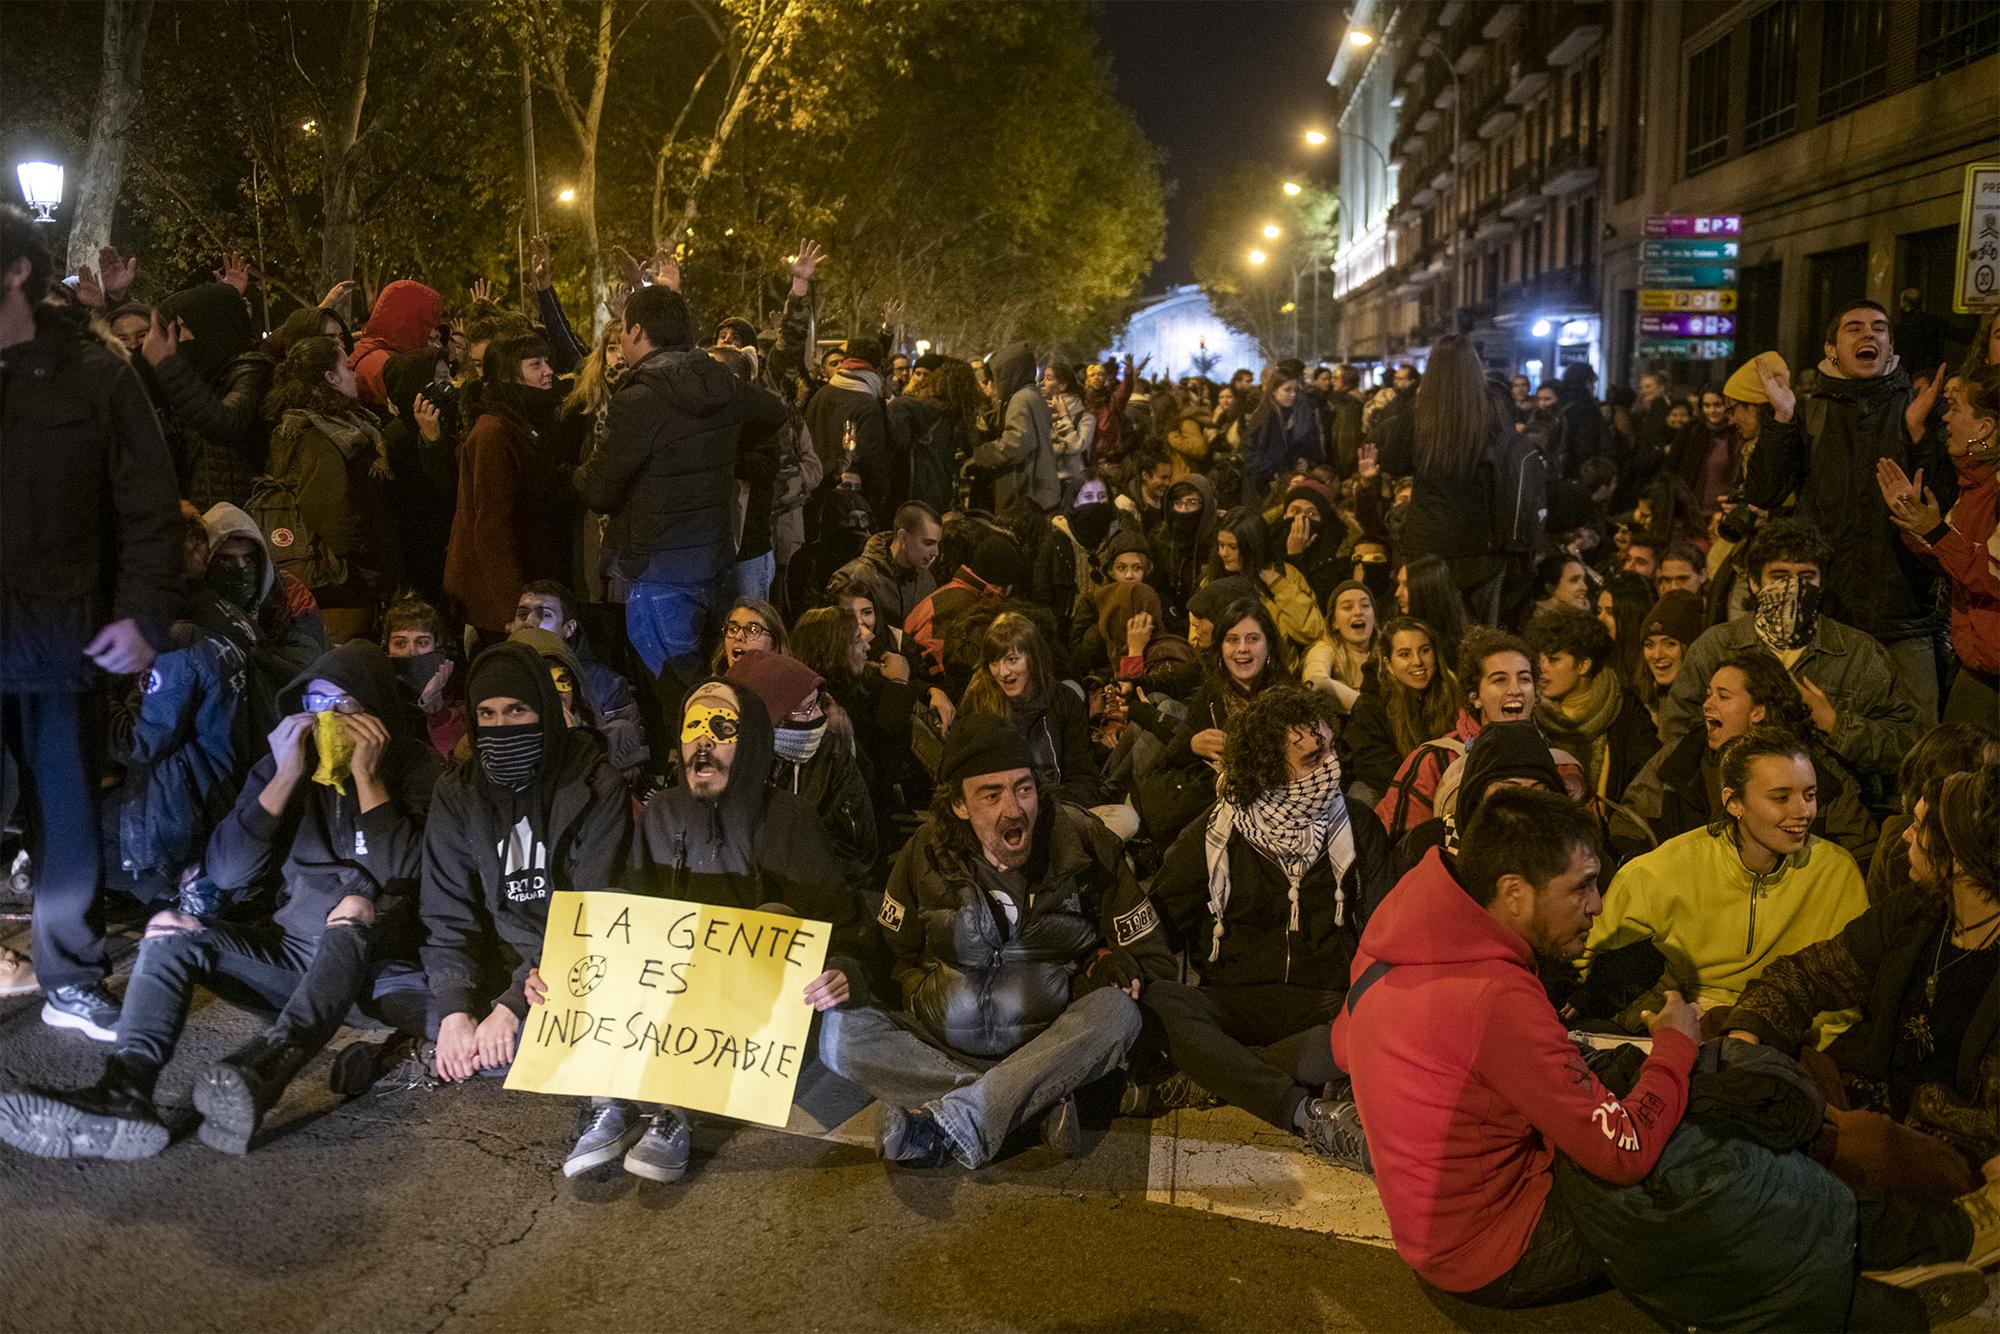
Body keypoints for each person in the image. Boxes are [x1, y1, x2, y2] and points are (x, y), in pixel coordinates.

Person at [0, 642, 439, 1159]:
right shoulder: (285, 765)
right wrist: (283, 778)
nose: (328, 720)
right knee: (169, 928)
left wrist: (367, 778)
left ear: (376, 711)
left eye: (344, 705)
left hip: (381, 969)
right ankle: (124, 1090)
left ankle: (266, 1068)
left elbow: (406, 876)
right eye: (315, 705)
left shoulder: (418, 767)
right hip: (295, 961)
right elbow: (228, 871)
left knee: (365, 916)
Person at [1333, 786, 1700, 1304]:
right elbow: (1624, 1152)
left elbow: (1343, 1047)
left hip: (1428, 1233)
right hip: (1496, 1254)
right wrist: (1674, 1046)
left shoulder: (1400, 928)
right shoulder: (1493, 997)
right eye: (1583, 888)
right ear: (1514, 893)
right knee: (1704, 1184)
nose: (1597, 905)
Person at [551, 674, 876, 1180]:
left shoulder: (790, 819)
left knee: (776, 920)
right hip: (677, 996)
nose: (702, 741)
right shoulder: (659, 814)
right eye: (692, 727)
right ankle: (609, 1105)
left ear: (749, 742)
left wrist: (840, 969)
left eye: (721, 727)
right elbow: (633, 919)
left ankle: (675, 1113)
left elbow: (847, 927)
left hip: (752, 1011)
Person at [819, 715, 1169, 1168]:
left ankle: (949, 1115)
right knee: (838, 1037)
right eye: (992, 794)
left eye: (1024, 789)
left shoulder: (1083, 843)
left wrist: (1104, 966)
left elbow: (1151, 957)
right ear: (961, 805)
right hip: (938, 1041)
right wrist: (848, 973)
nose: (1015, 808)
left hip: (1046, 1042)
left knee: (1118, 1013)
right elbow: (887, 953)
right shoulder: (924, 853)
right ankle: (1029, 1100)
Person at [0, 206, 183, 1023]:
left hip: (56, 631)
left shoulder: (95, 371)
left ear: (16, 273)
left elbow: (148, 505)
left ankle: (70, 978)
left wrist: (141, 610)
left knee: (65, 809)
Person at [1139, 685, 1391, 1163]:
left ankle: (1220, 1075)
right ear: (1269, 771)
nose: (1332, 767)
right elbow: (1161, 921)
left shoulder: (1359, 826)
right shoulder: (1217, 834)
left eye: (1331, 750)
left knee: (1383, 1019)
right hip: (1236, 1001)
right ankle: (1300, 1104)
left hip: (1325, 1002)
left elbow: (1383, 933)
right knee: (1160, 1002)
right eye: (1315, 759)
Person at [1729, 765, 2000, 1188]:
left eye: (1920, 826)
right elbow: (1809, 975)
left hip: (1947, 1146)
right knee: (1725, 1037)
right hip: (1870, 1098)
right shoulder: (1919, 910)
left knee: (1859, 1140)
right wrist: (1745, 1036)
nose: (1906, 836)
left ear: (1960, 858)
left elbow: (1986, 1122)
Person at [418, 643, 631, 1106]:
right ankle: (467, 1041)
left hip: (571, 964)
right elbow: (447, 914)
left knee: (507, 1040)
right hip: (499, 962)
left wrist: (514, 1001)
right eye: (488, 715)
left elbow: (593, 913)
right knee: (447, 1019)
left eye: (517, 710)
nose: (501, 727)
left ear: (545, 711)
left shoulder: (595, 784)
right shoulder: (458, 792)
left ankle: (469, 1048)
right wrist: (457, 1008)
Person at [1577, 726, 1870, 1035]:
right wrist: (1565, 999)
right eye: (1781, 797)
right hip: (1686, 1019)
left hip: (1784, 1030)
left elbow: (1847, 990)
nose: (1803, 811)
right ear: (1734, 802)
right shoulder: (1676, 863)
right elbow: (1582, 936)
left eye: (1809, 795)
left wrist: (1808, 1047)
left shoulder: (1835, 871)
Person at [576, 284, 783, 713]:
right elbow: (774, 411)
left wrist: (569, 474)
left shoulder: (639, 399)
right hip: (714, 558)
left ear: (636, 330)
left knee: (681, 692)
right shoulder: (722, 381)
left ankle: (704, 765)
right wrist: (725, 448)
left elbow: (599, 490)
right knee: (712, 673)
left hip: (659, 569)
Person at [1746, 302, 1952, 718]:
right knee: (1825, 737)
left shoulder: (1917, 410)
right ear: (1832, 349)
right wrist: (1782, 420)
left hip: (1903, 616)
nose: (1868, 335)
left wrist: (1919, 438)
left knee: (1919, 744)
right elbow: (1765, 492)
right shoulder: (1809, 414)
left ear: (1891, 346)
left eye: (1879, 328)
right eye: (1854, 328)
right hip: (1827, 614)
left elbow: (1942, 506)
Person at [1660, 519, 1923, 785]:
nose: (1793, 587)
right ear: (1753, 582)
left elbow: (1907, 744)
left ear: (1821, 583)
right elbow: (1678, 735)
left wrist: (1836, 725)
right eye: (1779, 576)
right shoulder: (1715, 647)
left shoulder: (1859, 655)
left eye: (1806, 577)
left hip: (1830, 811)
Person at [1617, 652, 1878, 863]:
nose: (1707, 704)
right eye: (1708, 694)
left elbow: (1860, 848)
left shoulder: (1810, 769)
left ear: (1758, 711)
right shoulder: (1680, 759)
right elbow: (1629, 824)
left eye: (1723, 696)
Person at [1876, 365, 1999, 725]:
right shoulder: (1974, 486)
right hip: (1978, 663)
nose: (1945, 418)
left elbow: (1990, 573)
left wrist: (1935, 532)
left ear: (1984, 427)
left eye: (1956, 409)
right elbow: (1952, 560)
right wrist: (1914, 522)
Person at [261, 335, 392, 644]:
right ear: (330, 378)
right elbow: (333, 515)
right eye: (346, 367)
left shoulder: (335, 424)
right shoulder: (319, 436)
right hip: (341, 582)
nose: (353, 374)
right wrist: (369, 562)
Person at [444, 333, 566, 643]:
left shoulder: (521, 423)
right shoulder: (494, 432)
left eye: (547, 362)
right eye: (535, 364)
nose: (548, 371)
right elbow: (492, 530)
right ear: (510, 374)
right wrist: (515, 611)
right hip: (499, 606)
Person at [726, 649, 879, 888]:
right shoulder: (717, 768)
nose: (818, 715)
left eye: (818, 703)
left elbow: (856, 851)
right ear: (769, 718)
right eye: (805, 709)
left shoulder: (831, 756)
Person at [1375, 628, 1538, 840]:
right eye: (1500, 680)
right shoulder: (1434, 761)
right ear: (1475, 697)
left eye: (1524, 679)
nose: (1515, 689)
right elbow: (1402, 847)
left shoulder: (1556, 759)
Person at [142, 281, 271, 510]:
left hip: (243, 515)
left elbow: (225, 422)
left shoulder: (250, 370)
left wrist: (167, 367)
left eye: (185, 327)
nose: (181, 339)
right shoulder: (206, 372)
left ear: (210, 327)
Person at [1524, 606, 1658, 801]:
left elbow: (1646, 783)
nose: (1541, 668)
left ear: (1583, 665)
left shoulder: (1626, 713)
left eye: (1553, 660)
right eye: (1539, 659)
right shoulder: (1530, 714)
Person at [1338, 617, 1459, 807]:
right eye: (1405, 654)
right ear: (1388, 664)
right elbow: (1375, 767)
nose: (1417, 661)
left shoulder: (1453, 693)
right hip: (1396, 792)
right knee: (1361, 794)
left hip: (1448, 789)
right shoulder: (1371, 704)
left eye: (1425, 651)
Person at [1206, 507, 1324, 661]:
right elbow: (1198, 639)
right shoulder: (1211, 581)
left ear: (1252, 546)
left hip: (1282, 674)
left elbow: (1312, 631)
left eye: (1232, 547)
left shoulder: (1286, 576)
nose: (1223, 553)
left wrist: (1278, 585)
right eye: (1221, 545)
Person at [971, 342, 1058, 513]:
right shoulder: (1033, 395)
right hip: (1041, 490)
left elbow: (1015, 443)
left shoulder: (1020, 399)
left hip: (1028, 490)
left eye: (997, 376)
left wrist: (980, 455)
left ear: (1009, 373)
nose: (994, 383)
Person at [833, 501, 942, 634]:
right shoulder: (854, 576)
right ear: (903, 537)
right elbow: (839, 634)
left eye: (937, 543)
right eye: (928, 542)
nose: (935, 552)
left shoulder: (927, 580)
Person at [347, 279, 444, 413]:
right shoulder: (385, 364)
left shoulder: (368, 349)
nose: (433, 332)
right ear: (407, 321)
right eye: (426, 323)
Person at [1302, 580, 1378, 711]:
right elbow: (1315, 680)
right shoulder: (1324, 649)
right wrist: (1366, 708)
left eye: (1365, 605)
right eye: (1347, 607)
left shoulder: (1388, 650)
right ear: (1334, 622)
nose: (1358, 612)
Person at [1631, 589, 1703, 723]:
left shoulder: (1707, 707)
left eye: (1670, 644)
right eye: (1649, 645)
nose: (1657, 655)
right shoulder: (1640, 705)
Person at [708, 597, 789, 676]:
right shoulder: (711, 687)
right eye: (733, 629)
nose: (738, 636)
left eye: (752, 630)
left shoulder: (787, 686)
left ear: (774, 646)